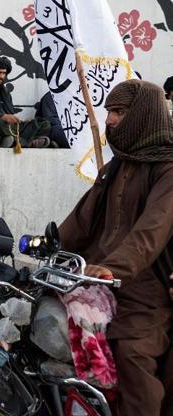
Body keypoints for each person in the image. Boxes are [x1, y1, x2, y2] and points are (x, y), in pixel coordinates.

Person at [58, 79, 173, 416]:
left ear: (143, 116)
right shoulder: (116, 166)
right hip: (100, 282)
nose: (109, 120)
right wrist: (46, 250)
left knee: (131, 354)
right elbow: (80, 222)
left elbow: (151, 230)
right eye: (108, 111)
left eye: (118, 112)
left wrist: (113, 267)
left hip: (147, 290)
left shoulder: (167, 168)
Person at [0, 56, 50, 149]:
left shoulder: (5, 92)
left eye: (4, 73)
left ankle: (15, 141)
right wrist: (3, 116)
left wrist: (21, 121)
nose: (2, 76)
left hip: (8, 128)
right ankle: (28, 143)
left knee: (44, 124)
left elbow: (10, 113)